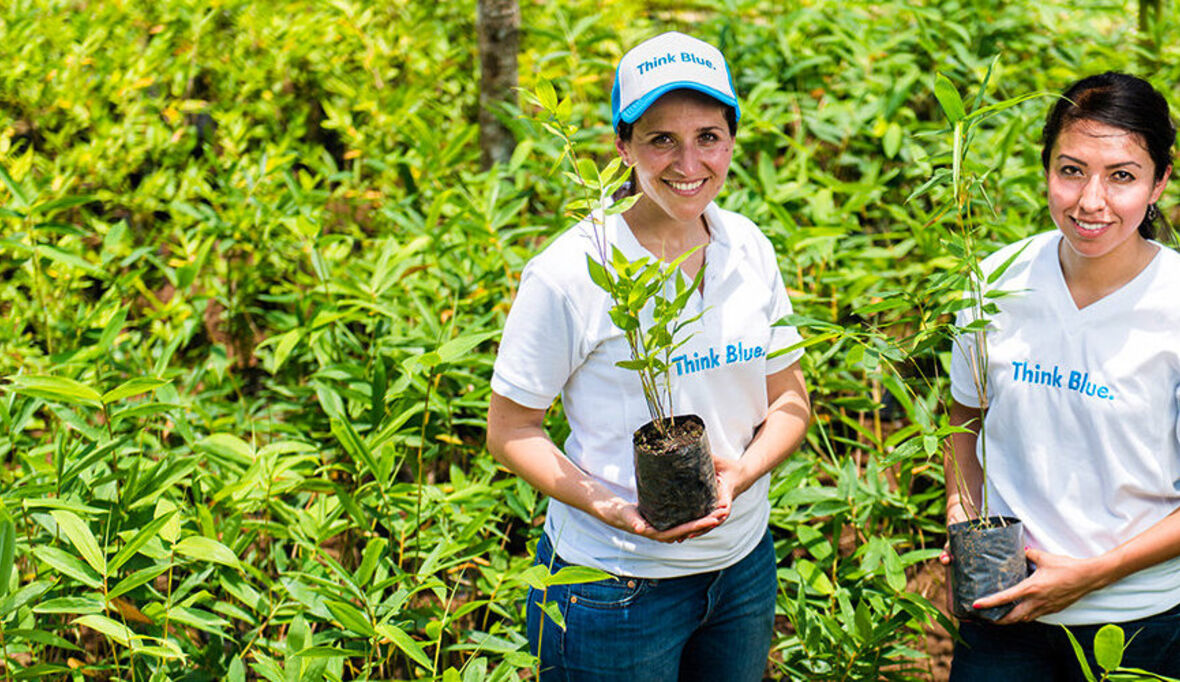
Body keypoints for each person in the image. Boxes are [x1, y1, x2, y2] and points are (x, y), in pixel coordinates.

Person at [486, 32, 810, 681]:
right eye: (661, 139)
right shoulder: (572, 272)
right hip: (612, 585)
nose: (688, 162)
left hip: (742, 570)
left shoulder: (749, 247)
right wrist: (612, 508)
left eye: (708, 136)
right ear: (622, 146)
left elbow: (790, 400)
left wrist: (742, 474)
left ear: (732, 140)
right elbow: (510, 431)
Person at [942, 72, 1180, 679]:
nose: (1090, 201)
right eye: (1071, 170)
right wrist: (962, 514)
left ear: (1159, 181)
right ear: (1046, 168)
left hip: (1142, 621)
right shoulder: (995, 281)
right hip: (1003, 608)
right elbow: (965, 416)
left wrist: (1092, 575)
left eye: (1122, 176)